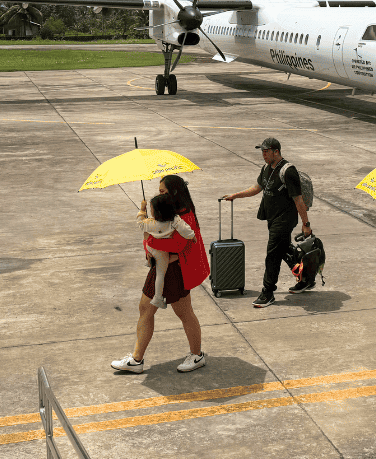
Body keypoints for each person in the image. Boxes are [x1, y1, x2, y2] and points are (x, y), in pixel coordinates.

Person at [111, 175, 210, 373]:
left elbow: (178, 244)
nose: (159, 194)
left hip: (176, 270)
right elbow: (152, 231)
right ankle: (137, 359)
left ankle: (197, 355)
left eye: (163, 191)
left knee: (183, 312)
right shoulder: (168, 211)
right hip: (163, 268)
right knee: (146, 308)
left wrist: (150, 244)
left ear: (173, 192)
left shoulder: (184, 215)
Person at [222, 137, 313, 307]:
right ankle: (306, 277)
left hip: (285, 220)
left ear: (276, 151)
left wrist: (306, 224)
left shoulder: (288, 171)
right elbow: (257, 188)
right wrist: (235, 195)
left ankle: (268, 292)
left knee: (272, 255)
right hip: (272, 219)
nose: (263, 154)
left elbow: (299, 201)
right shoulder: (266, 168)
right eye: (262, 151)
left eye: (266, 151)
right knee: (284, 249)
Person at [137, 192, 194, 310]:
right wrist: (192, 236)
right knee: (160, 274)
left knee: (158, 269)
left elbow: (141, 224)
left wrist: (142, 210)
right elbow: (185, 230)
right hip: (162, 252)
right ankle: (157, 298)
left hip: (151, 248)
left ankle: (149, 262)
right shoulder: (174, 221)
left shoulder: (150, 223)